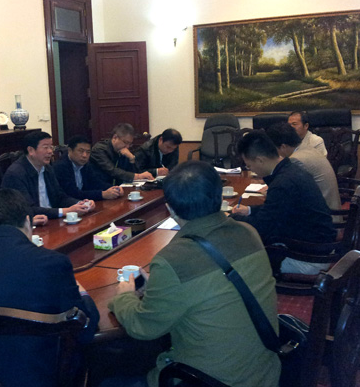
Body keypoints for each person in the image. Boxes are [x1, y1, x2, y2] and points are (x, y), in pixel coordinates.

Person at [108, 161, 280, 387]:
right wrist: (161, 288)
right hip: (265, 373)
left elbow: (144, 327)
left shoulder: (172, 260)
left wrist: (123, 296)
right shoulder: (249, 233)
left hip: (211, 381)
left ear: (170, 209)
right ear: (220, 197)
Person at [0, 188, 99, 386]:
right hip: (41, 378)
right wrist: (82, 291)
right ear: (28, 222)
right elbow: (84, 327)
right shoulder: (52, 263)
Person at [231, 131, 336, 274]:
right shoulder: (290, 170)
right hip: (316, 243)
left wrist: (232, 219)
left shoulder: (283, 183)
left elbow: (262, 228)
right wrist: (249, 211)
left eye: (249, 166)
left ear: (260, 160)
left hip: (309, 257)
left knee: (238, 261)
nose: (251, 170)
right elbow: (277, 209)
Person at [1, 131, 95, 219]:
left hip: (51, 219)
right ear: (31, 150)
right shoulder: (16, 174)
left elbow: (60, 197)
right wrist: (64, 211)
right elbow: (27, 209)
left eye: (51, 147)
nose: (50, 151)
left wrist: (80, 204)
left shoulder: (47, 169)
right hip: (32, 224)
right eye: (46, 147)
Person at [266, 123, 341, 215]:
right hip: (328, 208)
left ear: (283, 147)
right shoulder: (308, 149)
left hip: (322, 215)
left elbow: (287, 193)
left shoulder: (296, 160)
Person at [53, 134, 124, 201]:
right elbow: (72, 193)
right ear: (70, 151)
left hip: (83, 203)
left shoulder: (86, 165)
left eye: (88, 152)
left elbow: (96, 183)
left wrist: (114, 188)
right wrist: (102, 194)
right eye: (81, 151)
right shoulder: (60, 166)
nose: (85, 155)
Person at [90, 123, 155, 185]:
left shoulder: (123, 151)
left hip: (118, 187)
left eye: (130, 144)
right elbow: (112, 170)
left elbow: (131, 172)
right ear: (115, 137)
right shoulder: (99, 149)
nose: (127, 146)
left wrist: (132, 159)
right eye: (125, 142)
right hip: (101, 188)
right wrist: (138, 176)